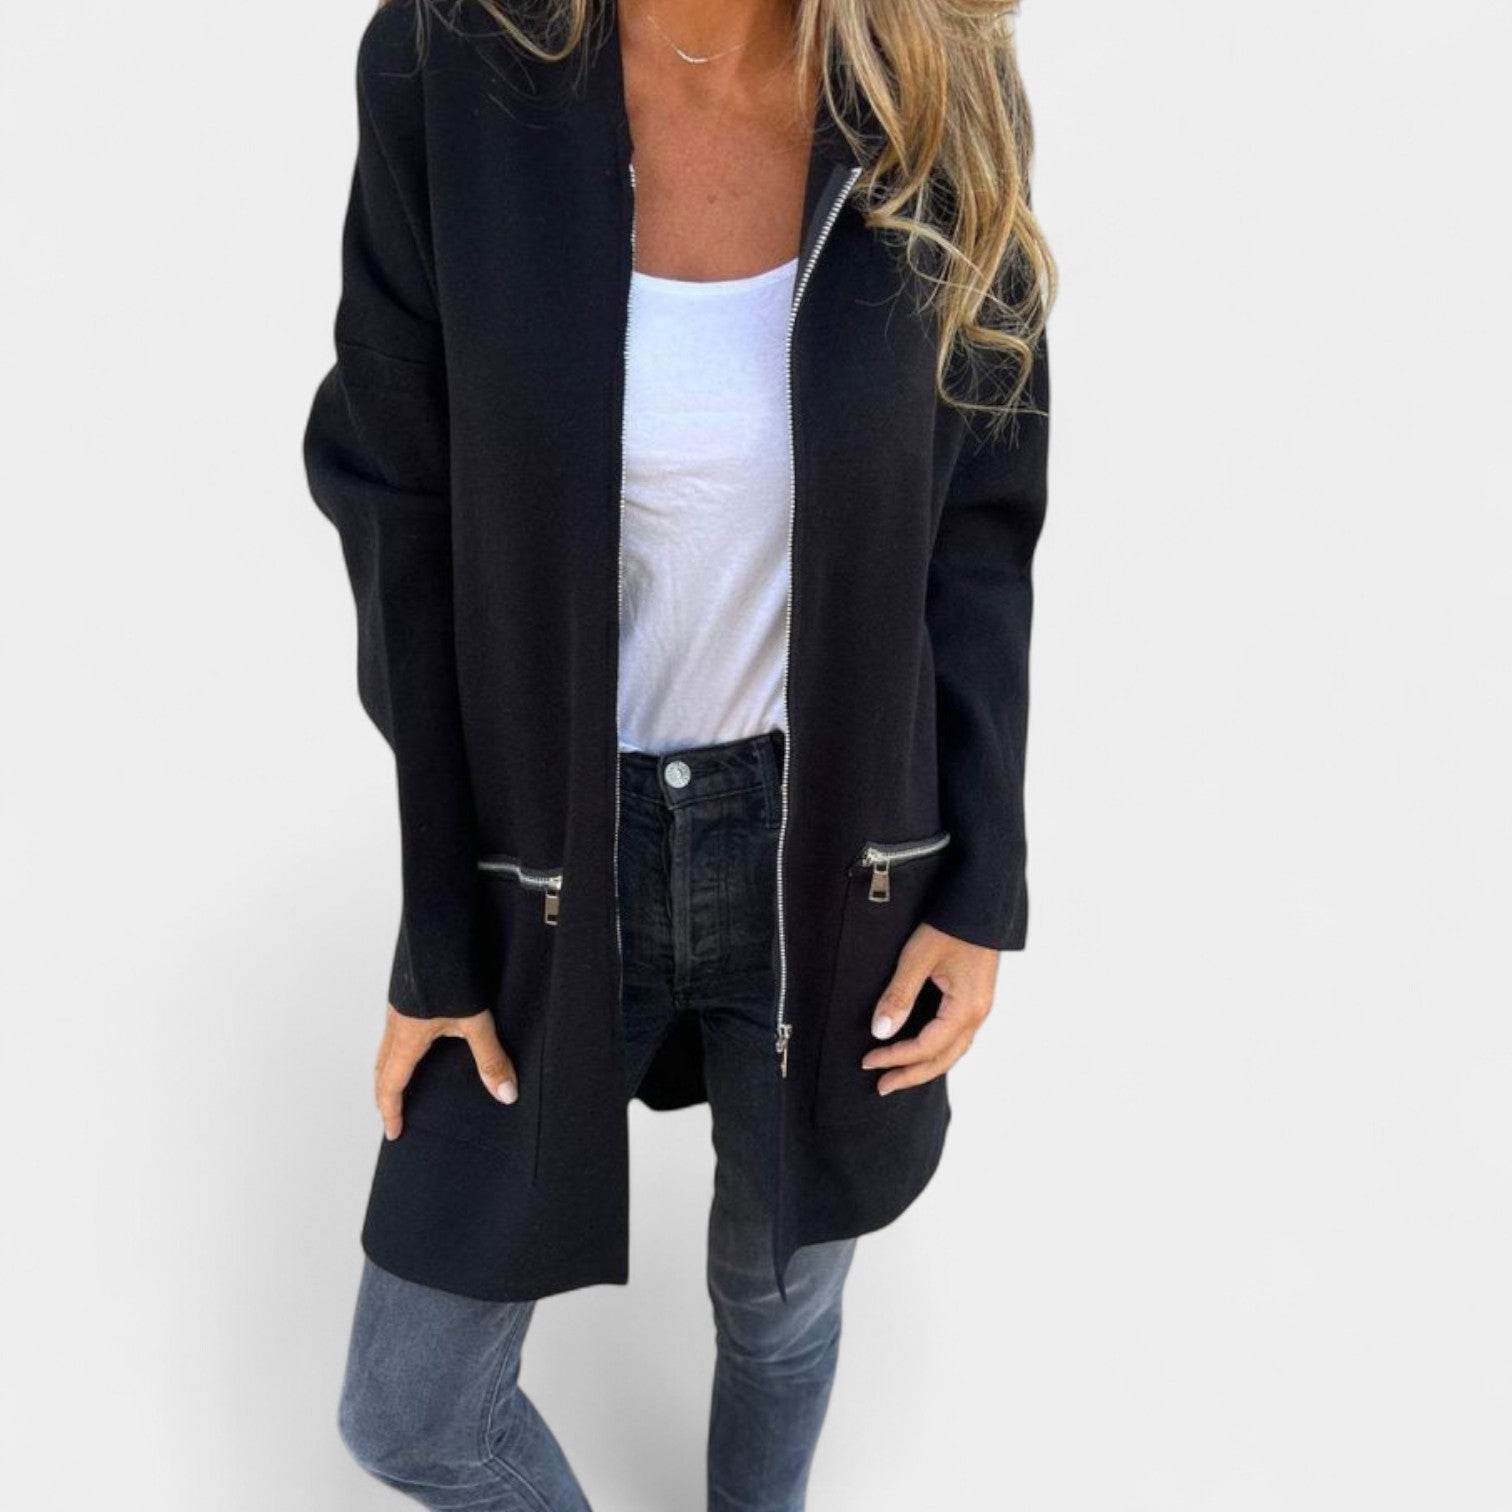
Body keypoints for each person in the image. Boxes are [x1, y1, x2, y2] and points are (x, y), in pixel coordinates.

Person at [302, 0, 1052, 1505]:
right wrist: (441, 929)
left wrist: (981, 886)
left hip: (837, 850)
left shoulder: (936, 75)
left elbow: (983, 520)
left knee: (780, 1314)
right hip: (547, 852)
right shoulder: (446, 61)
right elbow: (395, 507)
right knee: (413, 1408)